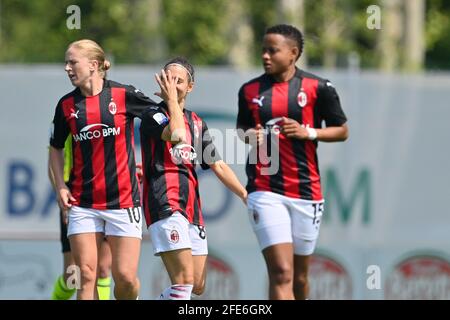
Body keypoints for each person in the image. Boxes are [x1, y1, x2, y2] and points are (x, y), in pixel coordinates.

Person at [236, 24, 348, 300]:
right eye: (263, 49)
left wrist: (308, 132)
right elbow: (242, 131)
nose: (265, 56)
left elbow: (341, 130)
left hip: (307, 191)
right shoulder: (249, 90)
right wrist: (250, 136)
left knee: (299, 278)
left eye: (272, 50)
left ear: (293, 53)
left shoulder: (318, 87)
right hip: (265, 189)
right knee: (281, 272)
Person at [49, 39, 158, 300]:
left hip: (123, 202)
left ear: (94, 64)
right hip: (83, 202)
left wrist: (174, 118)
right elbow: (54, 149)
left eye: (72, 62)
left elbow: (160, 123)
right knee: (85, 274)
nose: (67, 68)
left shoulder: (123, 95)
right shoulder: (66, 106)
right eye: (66, 63)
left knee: (125, 279)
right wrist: (61, 187)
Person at [140, 57, 247, 300]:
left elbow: (217, 164)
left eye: (179, 81)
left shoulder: (197, 122)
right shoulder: (153, 115)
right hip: (165, 202)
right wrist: (170, 101)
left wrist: (244, 194)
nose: (172, 84)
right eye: (168, 78)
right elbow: (176, 132)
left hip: (191, 207)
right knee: (184, 281)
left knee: (197, 285)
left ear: (190, 87)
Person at [48, 134, 112, 300]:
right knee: (73, 276)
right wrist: (60, 192)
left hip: (109, 192)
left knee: (103, 269)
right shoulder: (67, 112)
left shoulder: (112, 113)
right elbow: (53, 157)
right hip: (76, 194)